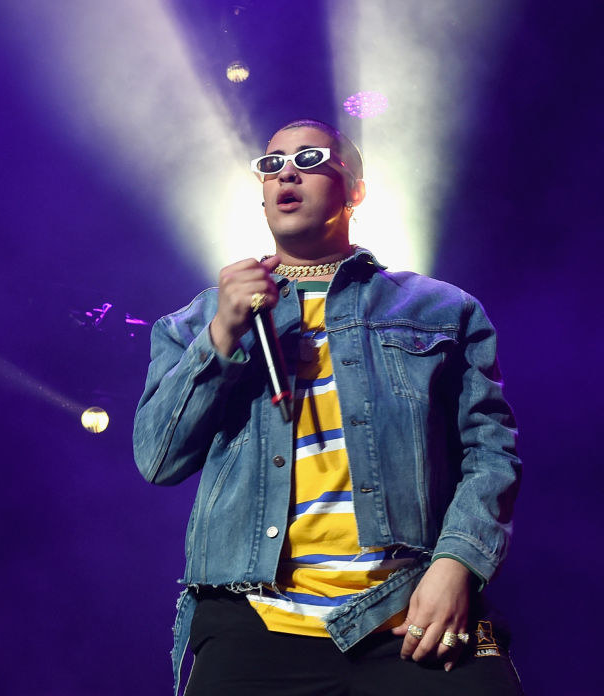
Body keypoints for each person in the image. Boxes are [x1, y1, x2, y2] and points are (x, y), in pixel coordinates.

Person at [132, 119, 522, 695]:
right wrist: (222, 335)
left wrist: (458, 564)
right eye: (271, 164)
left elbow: (490, 452)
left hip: (409, 611)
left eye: (310, 158)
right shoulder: (196, 322)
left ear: (354, 188)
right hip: (255, 622)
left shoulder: (441, 309)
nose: (286, 171)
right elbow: (158, 459)